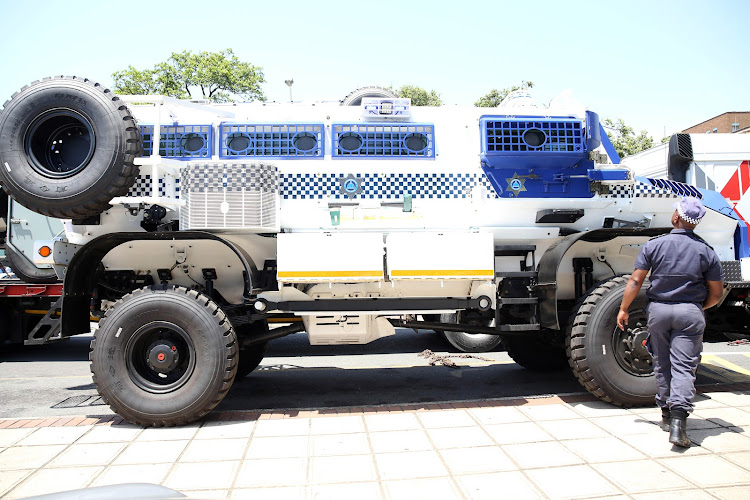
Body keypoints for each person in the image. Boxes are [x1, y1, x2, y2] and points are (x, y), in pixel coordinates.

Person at [617, 196, 723, 448]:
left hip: (659, 312)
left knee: (662, 362)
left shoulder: (654, 245)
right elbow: (716, 293)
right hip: (690, 312)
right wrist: (696, 308)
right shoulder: (706, 251)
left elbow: (635, 281)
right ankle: (678, 424)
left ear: (676, 217)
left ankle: (665, 414)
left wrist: (623, 309)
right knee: (684, 366)